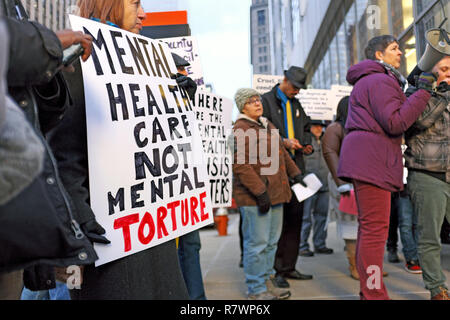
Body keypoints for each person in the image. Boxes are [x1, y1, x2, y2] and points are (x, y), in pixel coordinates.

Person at [47, 0, 189, 300]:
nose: (143, 14)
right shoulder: (77, 65)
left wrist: (179, 104)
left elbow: (159, 142)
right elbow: (63, 157)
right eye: (135, 3)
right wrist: (80, 218)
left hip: (152, 227)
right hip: (111, 234)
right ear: (107, 4)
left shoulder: (150, 69)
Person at [0, 0, 97, 299]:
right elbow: (64, 145)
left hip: (24, 199)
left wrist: (48, 68)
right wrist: (49, 45)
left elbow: (45, 110)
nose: (143, 14)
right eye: (135, 4)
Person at [337, 35, 434, 300]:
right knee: (374, 232)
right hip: (372, 160)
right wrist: (424, 92)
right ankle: (374, 295)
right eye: (394, 48)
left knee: (369, 229)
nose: (400, 52)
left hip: (368, 158)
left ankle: (369, 291)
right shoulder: (380, 80)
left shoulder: (373, 80)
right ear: (379, 55)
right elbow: (395, 122)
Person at [233, 88, 305, 300]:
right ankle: (255, 290)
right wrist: (260, 192)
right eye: (251, 101)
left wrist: (296, 174)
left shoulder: (266, 124)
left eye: (258, 99)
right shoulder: (240, 128)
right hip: (256, 198)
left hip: (277, 194)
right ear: (242, 106)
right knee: (257, 244)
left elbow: (282, 154)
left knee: (271, 243)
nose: (258, 103)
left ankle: (267, 282)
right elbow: (241, 165)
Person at [261, 66, 314, 289]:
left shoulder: (297, 104)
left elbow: (307, 127)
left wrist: (307, 143)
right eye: (294, 87)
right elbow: (260, 132)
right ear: (284, 80)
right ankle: (275, 269)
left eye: (300, 88)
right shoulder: (265, 101)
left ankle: (289, 266)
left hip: (296, 169)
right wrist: (283, 141)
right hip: (276, 171)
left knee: (295, 220)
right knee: (277, 225)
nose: (297, 91)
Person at [404, 55, 450, 300]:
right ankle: (437, 288)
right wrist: (441, 94)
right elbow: (421, 120)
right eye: (444, 69)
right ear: (430, 74)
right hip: (427, 175)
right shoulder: (414, 94)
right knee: (430, 236)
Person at [170, 52, 205, 300]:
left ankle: (196, 299)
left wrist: (188, 101)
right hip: (160, 189)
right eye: (179, 70)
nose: (184, 75)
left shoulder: (187, 96)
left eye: (185, 70)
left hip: (185, 185)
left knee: (191, 246)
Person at [322, 96, 359, 280]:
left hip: (360, 181)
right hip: (344, 183)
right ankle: (354, 265)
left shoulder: (357, 125)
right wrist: (342, 184)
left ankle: (367, 264)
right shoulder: (335, 128)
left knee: (364, 226)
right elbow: (330, 154)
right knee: (350, 226)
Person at [299, 120, 333, 257]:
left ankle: (320, 244)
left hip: (325, 184)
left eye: (321, 126)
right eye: (316, 125)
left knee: (322, 216)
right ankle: (302, 245)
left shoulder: (327, 139)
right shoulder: (304, 140)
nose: (319, 128)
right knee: (306, 217)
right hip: (308, 184)